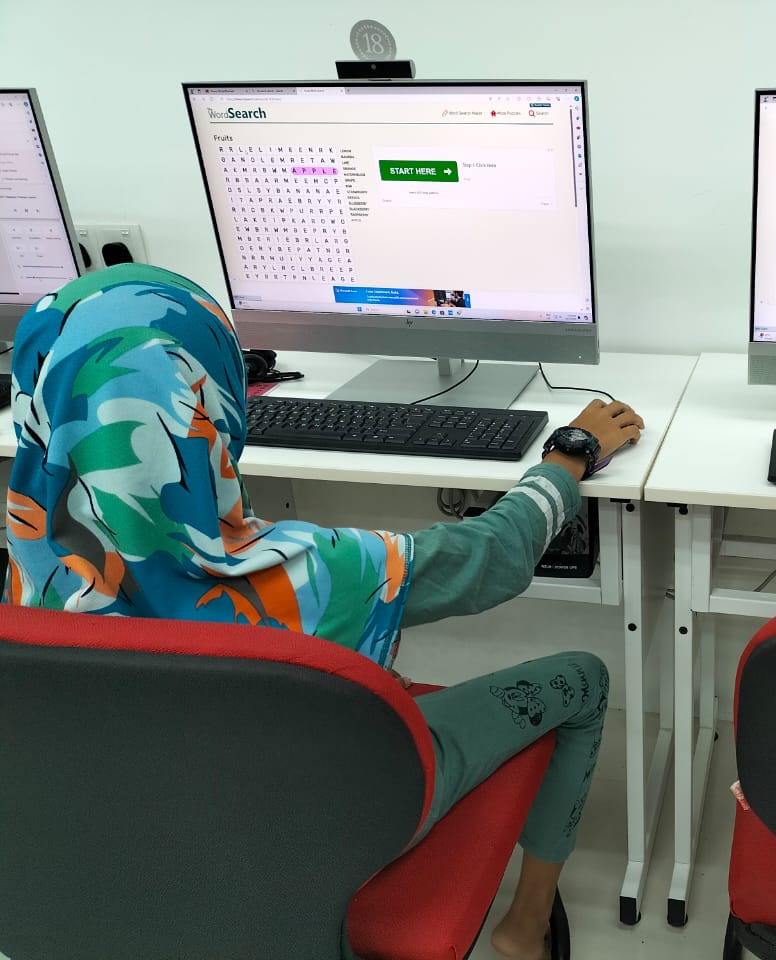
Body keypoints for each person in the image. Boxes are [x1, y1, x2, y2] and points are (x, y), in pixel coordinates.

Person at [2, 263, 645, 960]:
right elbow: (492, 556)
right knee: (584, 679)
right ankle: (525, 931)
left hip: (109, 851)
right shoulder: (306, 577)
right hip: (301, 824)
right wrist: (567, 459)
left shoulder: (27, 584)